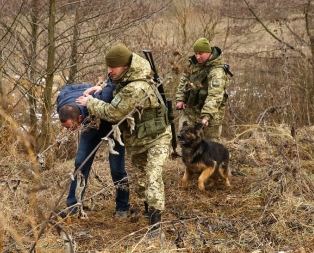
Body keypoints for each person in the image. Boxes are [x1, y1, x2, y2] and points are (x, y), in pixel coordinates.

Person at [76, 44, 171, 232]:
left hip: (156, 138)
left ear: (125, 66)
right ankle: (147, 209)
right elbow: (114, 83)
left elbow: (114, 113)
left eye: (113, 67)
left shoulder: (136, 87)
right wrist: (100, 87)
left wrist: (91, 102)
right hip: (138, 139)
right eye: (108, 67)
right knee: (143, 180)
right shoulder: (126, 75)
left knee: (152, 177)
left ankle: (155, 225)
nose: (110, 71)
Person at [56, 80, 130, 218]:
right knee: (80, 164)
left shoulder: (100, 97)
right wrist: (89, 87)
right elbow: (68, 86)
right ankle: (73, 208)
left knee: (117, 168)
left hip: (112, 127)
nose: (68, 132)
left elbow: (113, 86)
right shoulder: (62, 103)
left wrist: (96, 88)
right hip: (90, 129)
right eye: (65, 128)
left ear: (79, 117)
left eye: (70, 127)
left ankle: (122, 207)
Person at [175, 37, 230, 142]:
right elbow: (183, 82)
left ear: (209, 52)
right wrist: (180, 99)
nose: (198, 56)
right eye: (196, 53)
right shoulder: (192, 64)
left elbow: (215, 95)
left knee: (211, 147)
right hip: (191, 111)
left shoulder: (217, 71)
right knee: (184, 142)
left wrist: (206, 116)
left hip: (211, 114)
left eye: (201, 53)